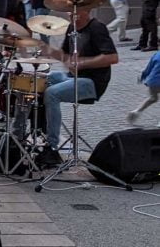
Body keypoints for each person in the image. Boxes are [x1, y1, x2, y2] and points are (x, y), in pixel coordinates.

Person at [34, 9, 118, 166]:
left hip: (92, 82)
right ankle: (40, 129)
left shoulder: (97, 27)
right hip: (74, 77)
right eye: (70, 12)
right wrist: (48, 50)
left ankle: (52, 148)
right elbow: (65, 57)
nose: (72, 15)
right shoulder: (71, 29)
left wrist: (82, 63)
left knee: (52, 93)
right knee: (45, 77)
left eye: (76, 12)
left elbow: (112, 57)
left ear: (87, 11)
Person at [127, 51, 160, 126]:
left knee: (153, 98)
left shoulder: (157, 54)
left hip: (152, 81)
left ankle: (136, 111)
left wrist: (142, 77)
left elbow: (148, 68)